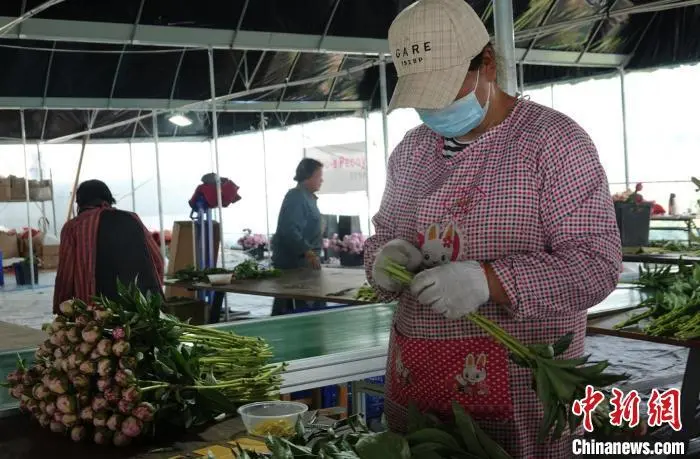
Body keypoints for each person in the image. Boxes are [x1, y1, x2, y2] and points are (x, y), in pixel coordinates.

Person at [363, 0, 622, 457]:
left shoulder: (552, 142)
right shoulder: (412, 150)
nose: (431, 106)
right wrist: (382, 258)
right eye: (421, 93)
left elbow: (596, 266)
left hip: (518, 386)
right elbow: (384, 234)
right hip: (416, 379)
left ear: (487, 63)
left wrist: (491, 281)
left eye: (443, 88)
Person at [53, 180, 164, 313]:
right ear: (109, 198)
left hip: (97, 314)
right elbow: (157, 260)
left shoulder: (74, 226)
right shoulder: (132, 218)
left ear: (80, 203)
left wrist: (61, 308)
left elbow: (66, 274)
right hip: (141, 308)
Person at [270, 158, 325, 315]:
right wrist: (308, 252)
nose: (321, 180)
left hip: (305, 264)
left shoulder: (307, 197)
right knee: (290, 307)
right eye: (319, 176)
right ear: (309, 176)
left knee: (303, 305)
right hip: (294, 264)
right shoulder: (296, 197)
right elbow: (289, 230)